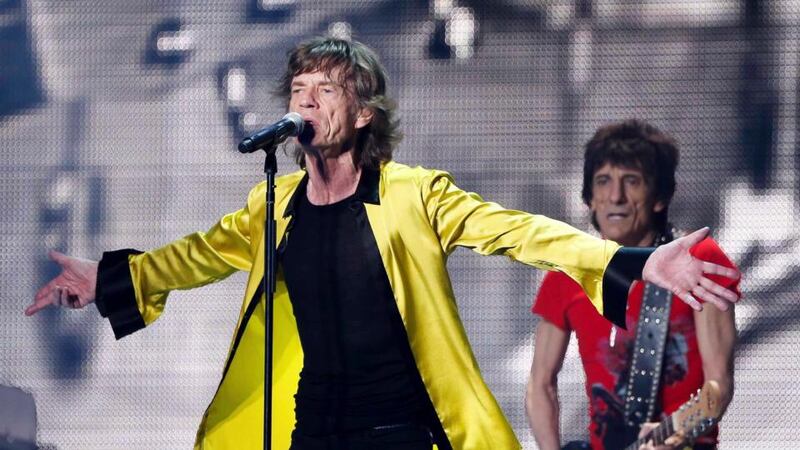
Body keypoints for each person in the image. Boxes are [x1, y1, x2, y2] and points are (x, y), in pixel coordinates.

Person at [26, 39, 739, 450]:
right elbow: (199, 254)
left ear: (363, 114)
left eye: (325, 91)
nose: (306, 101)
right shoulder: (272, 204)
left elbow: (519, 232)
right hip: (315, 420)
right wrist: (106, 280)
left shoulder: (413, 195)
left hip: (403, 424)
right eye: (299, 89)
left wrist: (636, 262)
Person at [525, 120, 739, 450]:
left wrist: (669, 436)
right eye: (603, 182)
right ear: (590, 198)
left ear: (658, 197)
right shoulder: (569, 272)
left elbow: (718, 387)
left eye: (631, 182)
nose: (616, 197)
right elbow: (540, 385)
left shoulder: (699, 259)